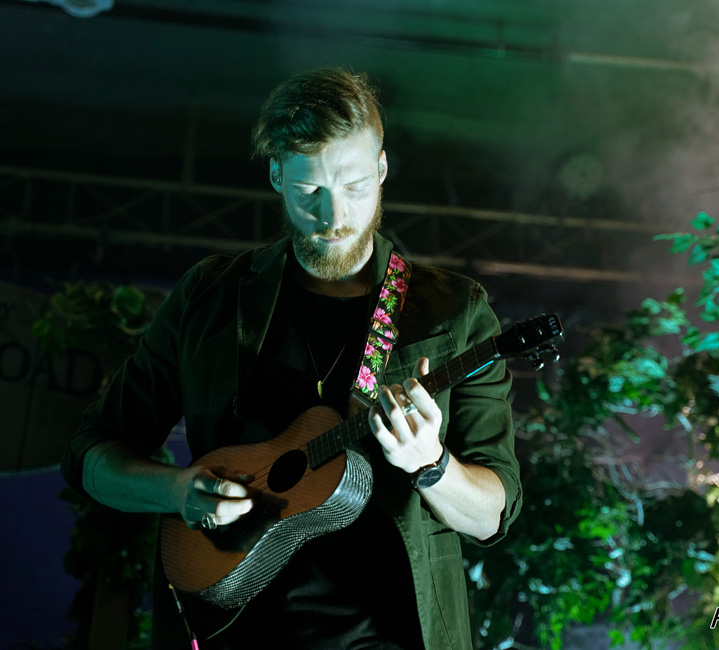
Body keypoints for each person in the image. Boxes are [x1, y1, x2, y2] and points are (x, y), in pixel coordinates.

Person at [60, 67, 522, 650]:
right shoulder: (211, 296)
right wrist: (177, 490)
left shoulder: (452, 312)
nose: (334, 218)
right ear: (276, 174)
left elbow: (490, 515)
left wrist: (431, 463)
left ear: (381, 169)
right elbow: (89, 453)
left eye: (355, 186)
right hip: (226, 630)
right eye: (310, 191)